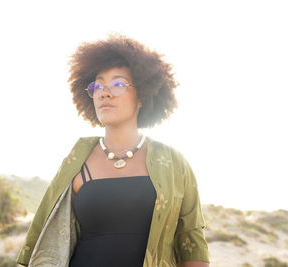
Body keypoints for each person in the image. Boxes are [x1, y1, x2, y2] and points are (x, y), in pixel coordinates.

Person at [17, 34, 210, 267]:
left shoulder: (173, 162)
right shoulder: (77, 160)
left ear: (142, 96)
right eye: (98, 85)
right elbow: (44, 234)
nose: (104, 93)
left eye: (118, 84)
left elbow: (191, 241)